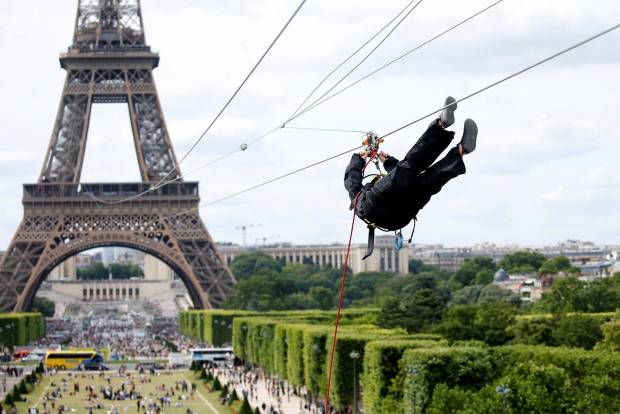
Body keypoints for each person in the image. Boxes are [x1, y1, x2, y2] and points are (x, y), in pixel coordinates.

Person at [344, 96, 478, 253]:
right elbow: (353, 180)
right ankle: (440, 126)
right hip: (378, 207)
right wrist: (359, 158)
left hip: (400, 219)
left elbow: (396, 179)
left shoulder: (360, 200)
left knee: (427, 184)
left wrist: (379, 161)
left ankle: (461, 150)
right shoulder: (359, 198)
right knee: (409, 169)